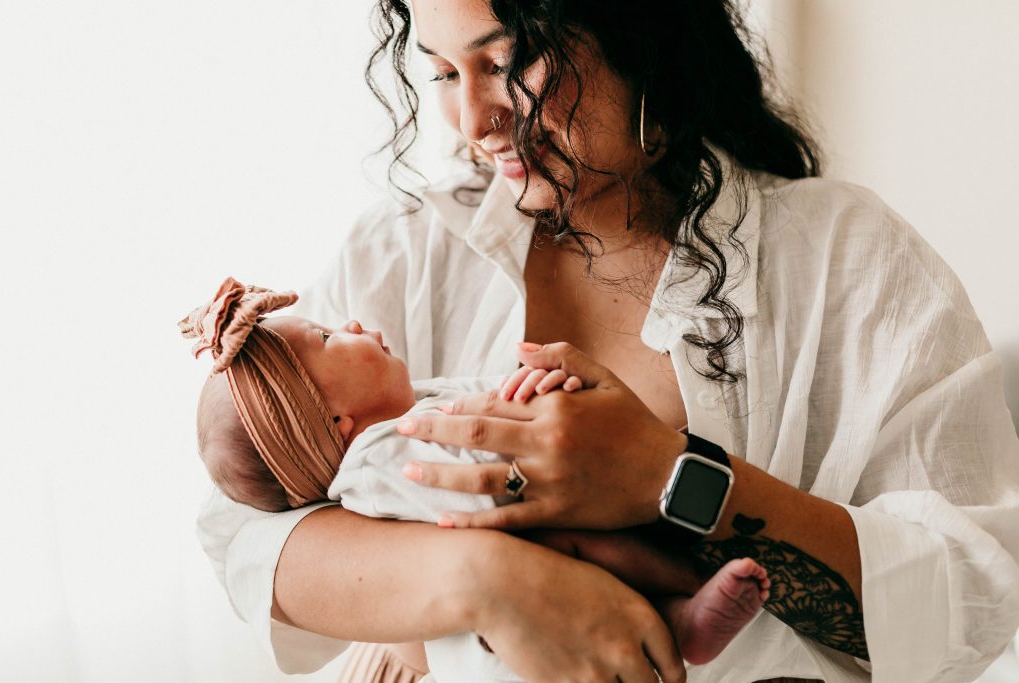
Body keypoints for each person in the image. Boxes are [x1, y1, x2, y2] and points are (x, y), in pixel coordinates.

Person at [194, 0, 1019, 681]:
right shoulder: (410, 247)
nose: (473, 120)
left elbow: (969, 594)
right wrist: (491, 582)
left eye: (508, 61)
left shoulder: (849, 260)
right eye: (444, 72)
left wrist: (670, 476)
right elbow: (246, 527)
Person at [184, 277, 772, 679]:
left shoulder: (421, 401)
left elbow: (487, 400)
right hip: (504, 654)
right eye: (331, 337)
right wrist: (542, 454)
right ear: (338, 422)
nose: (354, 322)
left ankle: (683, 613)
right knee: (580, 545)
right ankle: (683, 607)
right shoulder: (378, 460)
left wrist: (532, 394)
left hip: (541, 604)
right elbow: (469, 473)